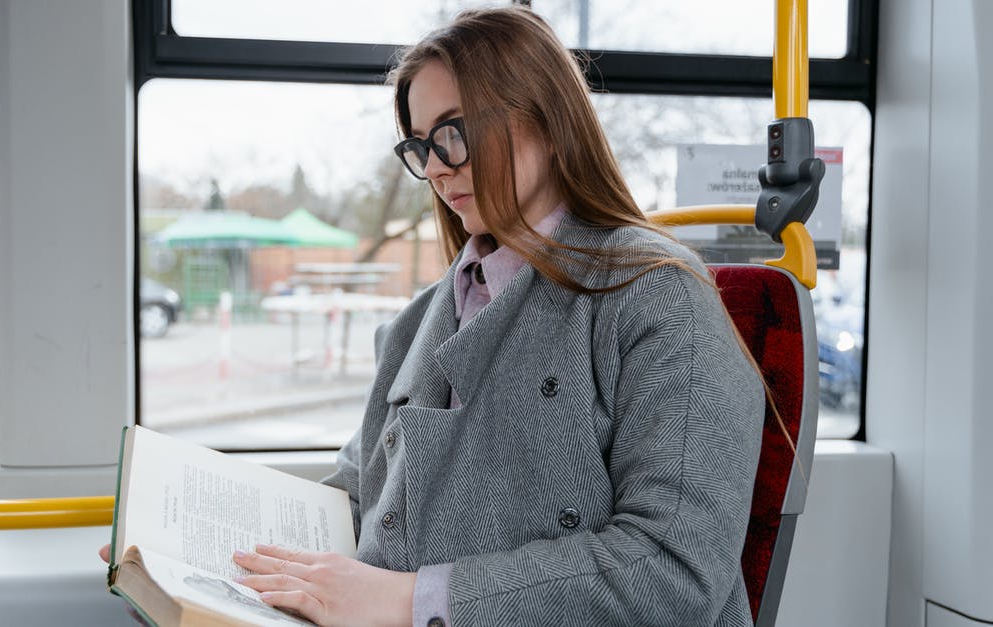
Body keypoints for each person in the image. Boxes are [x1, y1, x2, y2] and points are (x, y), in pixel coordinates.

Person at [106, 7, 764, 626]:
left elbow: (673, 569)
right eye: (422, 146)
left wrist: (407, 598)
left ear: (544, 115)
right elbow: (360, 495)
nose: (439, 169)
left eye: (455, 130)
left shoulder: (657, 296)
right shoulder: (423, 315)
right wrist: (195, 560)